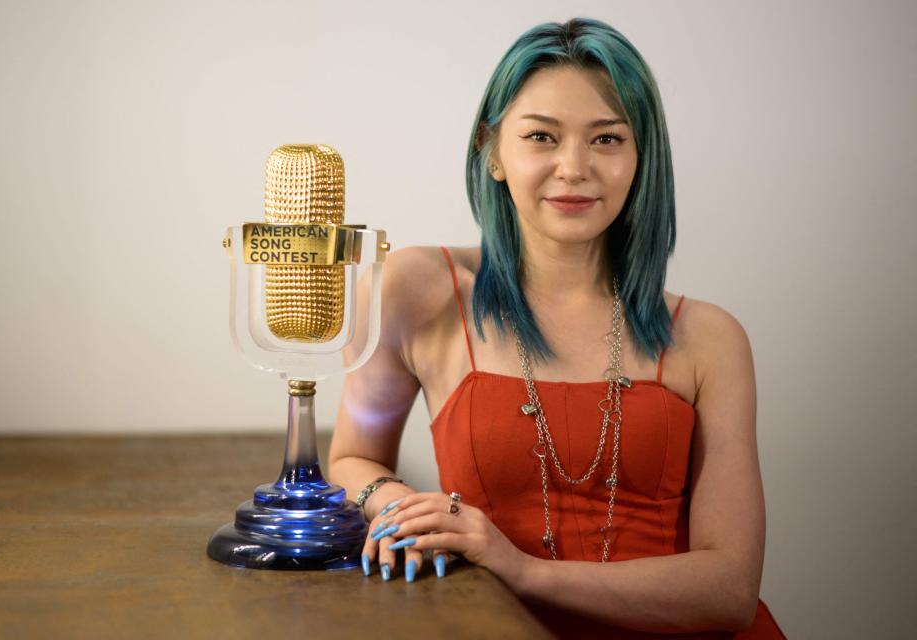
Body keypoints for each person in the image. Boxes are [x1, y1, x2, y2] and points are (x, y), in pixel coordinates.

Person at [328, 17, 786, 639]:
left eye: (606, 139)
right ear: (491, 152)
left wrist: (520, 569)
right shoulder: (418, 289)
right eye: (542, 136)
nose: (573, 167)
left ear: (640, 156)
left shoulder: (710, 338)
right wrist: (401, 512)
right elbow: (354, 456)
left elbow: (729, 591)